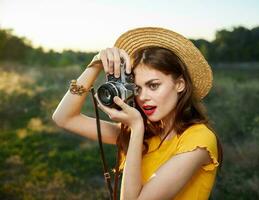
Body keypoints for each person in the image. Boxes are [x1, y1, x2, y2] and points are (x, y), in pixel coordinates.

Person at [52, 27, 223, 200]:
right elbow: (64, 118)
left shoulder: (199, 140)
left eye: (153, 85)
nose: (143, 97)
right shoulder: (146, 131)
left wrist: (136, 128)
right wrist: (94, 66)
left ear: (179, 84)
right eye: (137, 88)